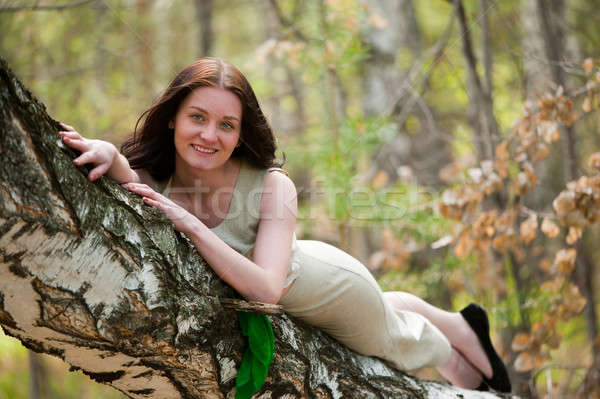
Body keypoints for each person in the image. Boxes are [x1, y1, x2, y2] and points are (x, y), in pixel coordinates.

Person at [58, 57, 511, 392]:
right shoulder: (162, 175)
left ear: (240, 135)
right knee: (388, 308)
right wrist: (110, 152)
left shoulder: (274, 186)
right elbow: (129, 180)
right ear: (174, 116)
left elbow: (266, 292)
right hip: (311, 270)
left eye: (226, 124)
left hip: (331, 287)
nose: (209, 135)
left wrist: (189, 224)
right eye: (198, 117)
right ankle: (462, 324)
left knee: (395, 338)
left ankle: (456, 353)